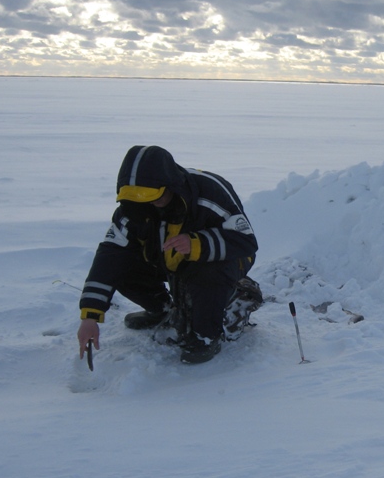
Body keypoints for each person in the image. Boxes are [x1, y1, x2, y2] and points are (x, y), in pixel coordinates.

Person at [77, 145, 258, 364]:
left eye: (154, 195)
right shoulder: (132, 208)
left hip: (224, 259)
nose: (149, 202)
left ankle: (206, 336)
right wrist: (90, 315)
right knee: (122, 266)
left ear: (171, 184)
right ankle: (162, 310)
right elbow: (109, 257)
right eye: (140, 197)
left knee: (209, 274)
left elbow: (246, 241)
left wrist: (196, 243)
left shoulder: (209, 192)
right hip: (168, 260)